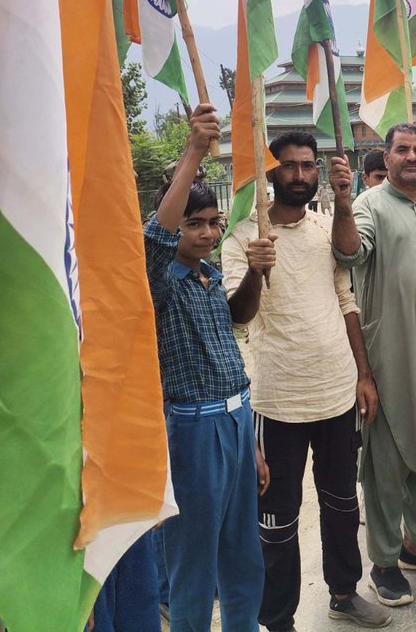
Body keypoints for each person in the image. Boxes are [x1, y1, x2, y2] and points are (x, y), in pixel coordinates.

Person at [222, 131, 388, 630]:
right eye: (290, 166)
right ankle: (278, 619)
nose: (300, 174)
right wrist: (255, 269)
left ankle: (344, 592)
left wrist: (364, 374)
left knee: (341, 503)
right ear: (271, 172)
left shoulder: (324, 230)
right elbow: (238, 315)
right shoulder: (241, 237)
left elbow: (347, 300)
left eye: (308, 165)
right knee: (277, 521)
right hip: (276, 403)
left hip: (337, 393)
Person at [144, 103, 267, 632]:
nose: (207, 232)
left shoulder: (210, 276)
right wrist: (194, 152)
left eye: (214, 222)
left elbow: (236, 326)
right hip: (192, 427)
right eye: (194, 223)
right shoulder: (159, 280)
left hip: (237, 421)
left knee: (242, 547)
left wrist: (256, 275)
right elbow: (157, 239)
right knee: (192, 555)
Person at [333, 123, 416, 608]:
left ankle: (415, 546)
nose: (412, 157)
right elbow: (348, 251)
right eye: (402, 150)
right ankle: (384, 563)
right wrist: (344, 201)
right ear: (385, 158)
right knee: (386, 466)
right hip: (388, 354)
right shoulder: (368, 205)